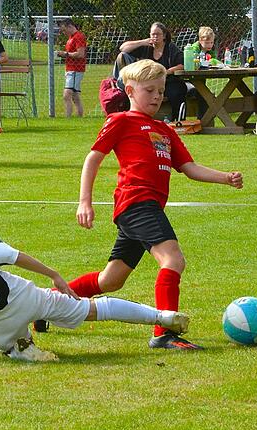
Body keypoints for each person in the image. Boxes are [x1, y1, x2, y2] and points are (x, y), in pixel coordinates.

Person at [51, 60, 243, 350]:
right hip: (137, 202)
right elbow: (93, 159)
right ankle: (164, 332)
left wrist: (225, 178)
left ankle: (48, 302)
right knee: (173, 260)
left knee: (111, 280)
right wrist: (84, 202)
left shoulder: (165, 130)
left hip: (144, 208)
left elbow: (189, 168)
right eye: (149, 90)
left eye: (161, 91)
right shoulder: (121, 121)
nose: (157, 96)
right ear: (130, 91)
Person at [0, 189, 191, 362]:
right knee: (94, 309)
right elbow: (15, 256)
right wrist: (52, 273)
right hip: (25, 300)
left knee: (6, 340)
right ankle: (162, 317)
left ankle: (18, 347)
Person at [117, 22, 186, 120]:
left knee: (177, 91)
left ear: (164, 36)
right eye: (153, 34)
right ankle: (131, 118)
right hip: (146, 83)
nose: (155, 37)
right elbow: (123, 48)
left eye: (158, 34)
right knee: (132, 91)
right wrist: (142, 42)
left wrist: (166, 71)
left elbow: (181, 65)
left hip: (167, 82)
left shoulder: (171, 48)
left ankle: (177, 120)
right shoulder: (146, 47)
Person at [56, 18, 87, 118]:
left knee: (67, 94)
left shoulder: (78, 36)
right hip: (70, 69)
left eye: (64, 30)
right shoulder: (71, 37)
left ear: (70, 26)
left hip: (75, 69)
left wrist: (65, 54)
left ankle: (68, 117)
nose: (64, 33)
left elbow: (80, 54)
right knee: (75, 95)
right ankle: (78, 117)